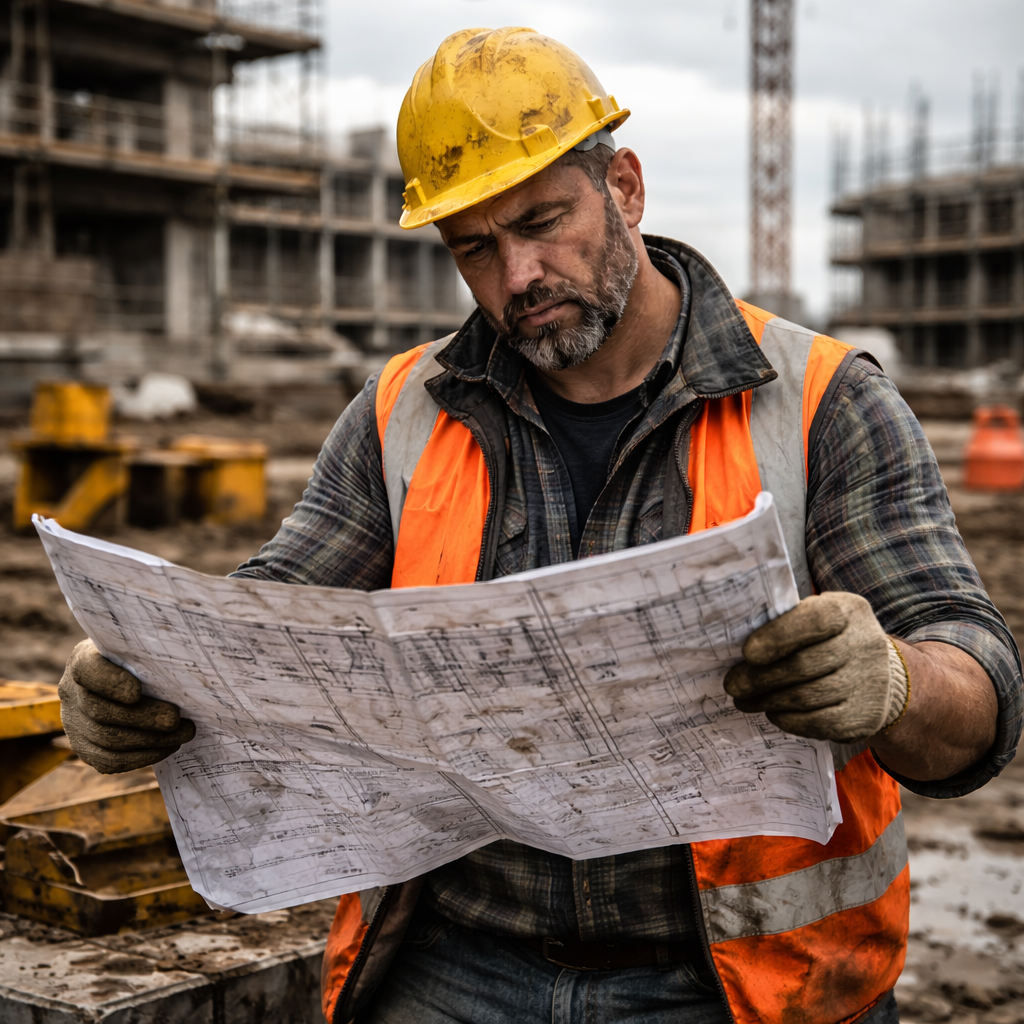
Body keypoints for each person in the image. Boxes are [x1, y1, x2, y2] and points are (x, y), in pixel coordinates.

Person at [57, 27, 1021, 1024]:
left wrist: (894, 683)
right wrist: (144, 676)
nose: (517, 275)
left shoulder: (821, 402)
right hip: (461, 957)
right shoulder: (403, 411)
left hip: (742, 982)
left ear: (626, 190)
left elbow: (980, 690)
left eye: (543, 220)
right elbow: (269, 613)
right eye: (474, 246)